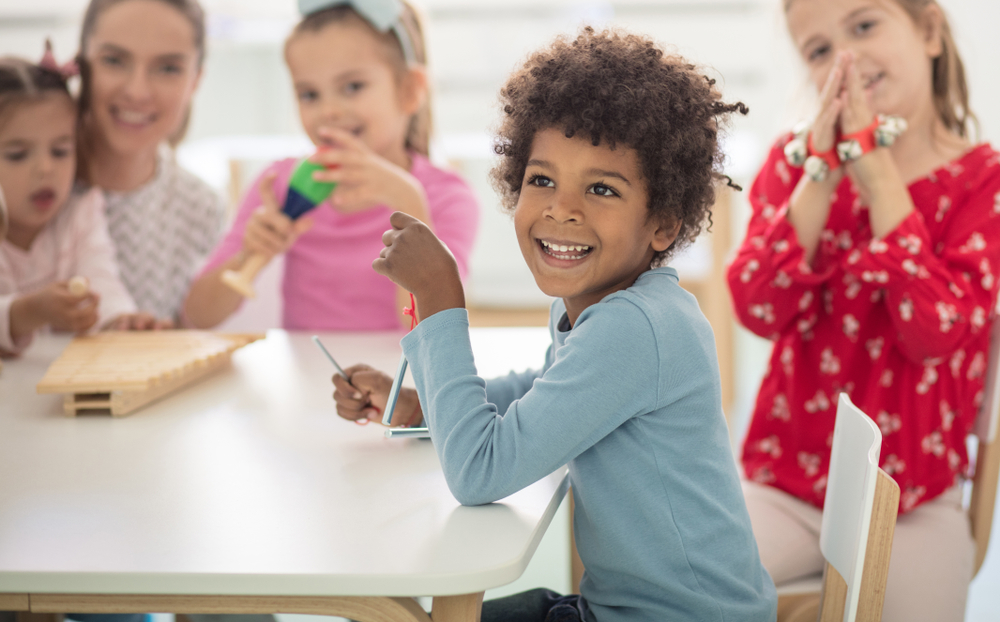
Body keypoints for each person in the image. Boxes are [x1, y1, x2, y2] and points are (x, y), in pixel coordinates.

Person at [331, 27, 776, 622]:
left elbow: (480, 472)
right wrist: (420, 404)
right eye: (542, 180)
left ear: (663, 225)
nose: (562, 209)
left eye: (602, 188)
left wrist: (439, 296)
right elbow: (538, 391)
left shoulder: (634, 329)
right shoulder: (611, 308)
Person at [727, 1, 1000, 620]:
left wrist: (878, 177)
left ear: (929, 30)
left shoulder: (983, 180)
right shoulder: (795, 164)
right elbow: (757, 308)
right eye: (820, 50)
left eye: (864, 25)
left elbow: (936, 333)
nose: (845, 60)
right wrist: (821, 175)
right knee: (681, 588)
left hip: (915, 498)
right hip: (786, 485)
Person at [183, 0, 479, 331]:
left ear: (409, 90)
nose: (329, 111)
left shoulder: (446, 197)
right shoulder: (280, 185)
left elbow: (434, 334)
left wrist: (410, 204)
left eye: (352, 87)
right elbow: (197, 315)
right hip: (305, 365)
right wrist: (247, 255)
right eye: (309, 94)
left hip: (401, 366)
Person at [0, 53, 166, 358]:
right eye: (17, 155)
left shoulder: (81, 213)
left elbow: (102, 283)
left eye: (61, 151)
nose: (46, 169)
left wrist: (121, 322)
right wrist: (29, 311)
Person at [76, 0, 225, 324]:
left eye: (168, 68)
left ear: (195, 80)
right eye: (114, 61)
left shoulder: (203, 209)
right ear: (80, 63)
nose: (137, 91)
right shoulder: (28, 190)